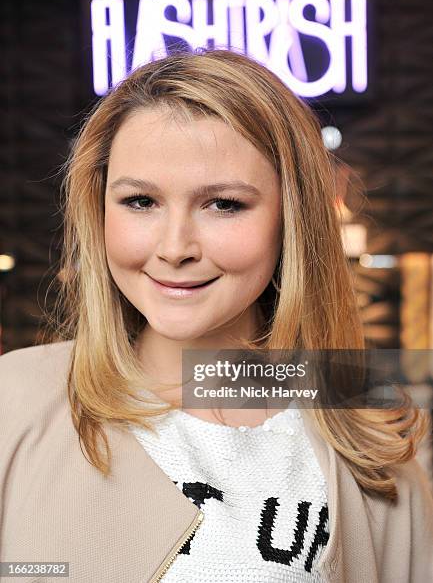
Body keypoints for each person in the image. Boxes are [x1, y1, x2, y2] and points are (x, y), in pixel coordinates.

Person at [0, 48, 432, 583]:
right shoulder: (13, 402)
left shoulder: (367, 430)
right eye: (139, 201)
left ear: (291, 219)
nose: (174, 247)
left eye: (224, 204)